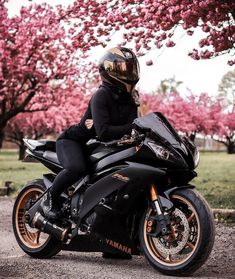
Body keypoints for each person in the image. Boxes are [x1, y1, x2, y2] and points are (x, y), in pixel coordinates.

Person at [41, 47, 140, 220]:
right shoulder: (101, 95)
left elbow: (134, 126)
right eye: (124, 69)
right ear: (108, 71)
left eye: (131, 68)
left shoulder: (131, 99)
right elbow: (104, 132)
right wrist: (135, 128)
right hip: (73, 141)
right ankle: (50, 197)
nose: (129, 73)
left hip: (96, 145)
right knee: (77, 168)